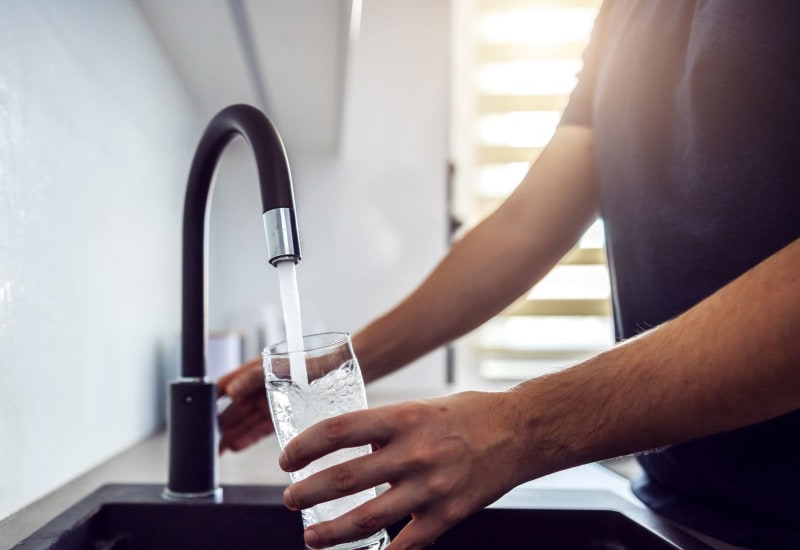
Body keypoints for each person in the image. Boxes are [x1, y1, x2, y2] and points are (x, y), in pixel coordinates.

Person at [217, 2, 800, 548]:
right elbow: (525, 226)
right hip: (678, 506)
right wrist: (338, 367)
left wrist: (520, 426)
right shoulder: (626, 12)